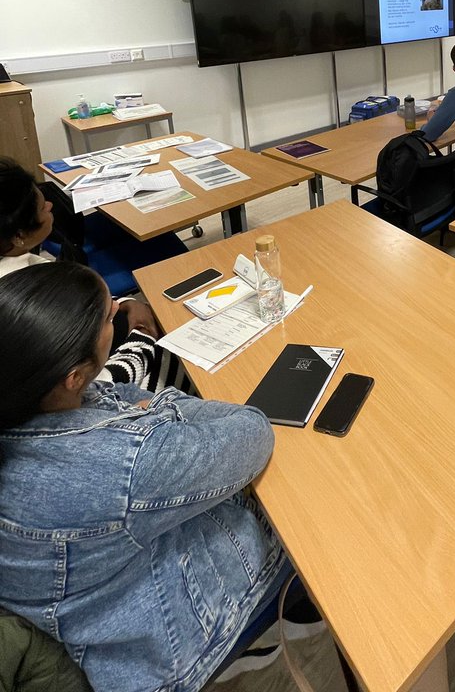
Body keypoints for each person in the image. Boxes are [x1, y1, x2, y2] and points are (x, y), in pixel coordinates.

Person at [0, 263, 309, 692]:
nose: (120, 309)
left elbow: (125, 396)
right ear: (73, 376)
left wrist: (157, 416)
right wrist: (164, 416)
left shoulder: (31, 401)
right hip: (163, 643)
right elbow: (252, 431)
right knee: (310, 504)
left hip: (100, 605)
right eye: (110, 317)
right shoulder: (114, 465)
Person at [0, 159, 163, 389]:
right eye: (40, 207)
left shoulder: (23, 266)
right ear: (18, 235)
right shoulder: (26, 303)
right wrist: (142, 340)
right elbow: (92, 387)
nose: (49, 205)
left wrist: (127, 303)